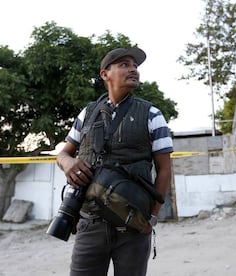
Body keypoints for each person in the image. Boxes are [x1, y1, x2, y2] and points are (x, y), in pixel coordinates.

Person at [56, 47, 173, 276]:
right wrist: (67, 163)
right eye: (124, 65)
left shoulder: (152, 114)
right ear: (105, 74)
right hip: (90, 223)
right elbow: (64, 152)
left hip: (133, 225)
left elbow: (165, 170)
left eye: (135, 66)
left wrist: (152, 218)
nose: (133, 70)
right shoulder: (87, 113)